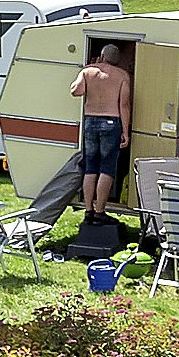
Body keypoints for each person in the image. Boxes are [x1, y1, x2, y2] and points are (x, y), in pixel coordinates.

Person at [72, 33, 136, 231]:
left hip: (90, 121)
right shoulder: (122, 76)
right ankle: (100, 211)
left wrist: (85, 72)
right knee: (107, 168)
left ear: (101, 56)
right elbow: (123, 105)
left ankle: (88, 210)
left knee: (91, 167)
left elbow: (75, 91)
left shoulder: (88, 71)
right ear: (116, 59)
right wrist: (125, 131)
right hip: (112, 122)